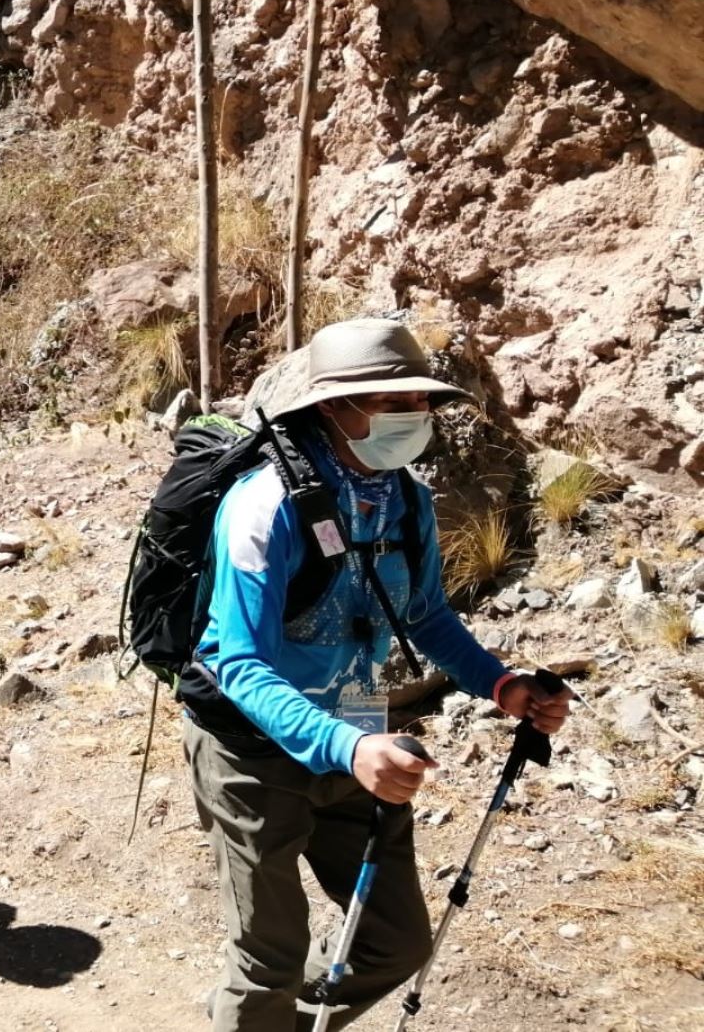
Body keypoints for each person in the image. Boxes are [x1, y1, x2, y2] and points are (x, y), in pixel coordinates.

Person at [185, 318, 572, 1031]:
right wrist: (352, 748)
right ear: (336, 407)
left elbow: (424, 616)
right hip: (251, 749)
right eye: (395, 402)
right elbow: (236, 661)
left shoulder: (405, 499)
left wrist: (500, 684)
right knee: (268, 958)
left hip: (358, 719)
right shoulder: (263, 507)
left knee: (394, 942)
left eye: (421, 403)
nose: (416, 417)